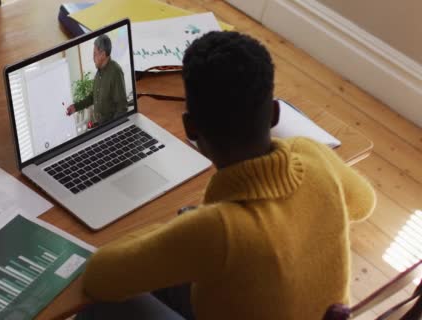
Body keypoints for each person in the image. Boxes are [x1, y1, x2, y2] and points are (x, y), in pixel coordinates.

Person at [77, 31, 376, 319]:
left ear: (191, 128)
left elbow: (99, 276)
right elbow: (364, 203)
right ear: (273, 113)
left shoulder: (217, 230)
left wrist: (182, 227)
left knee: (103, 304)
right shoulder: (313, 154)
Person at [66, 34, 128, 126]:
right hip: (100, 126)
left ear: (103, 54)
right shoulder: (98, 73)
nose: (93, 58)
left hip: (110, 128)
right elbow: (92, 97)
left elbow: (122, 108)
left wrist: (114, 131)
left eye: (95, 53)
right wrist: (75, 107)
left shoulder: (115, 72)